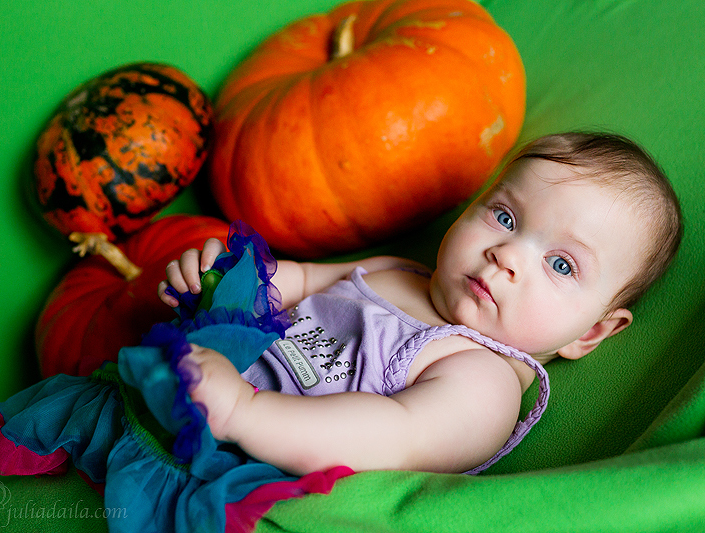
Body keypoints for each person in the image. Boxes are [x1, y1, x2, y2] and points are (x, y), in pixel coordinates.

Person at [158, 132, 682, 476]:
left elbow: (390, 439)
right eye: (504, 217)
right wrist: (221, 280)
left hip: (237, 470)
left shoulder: (484, 381)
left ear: (589, 332)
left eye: (561, 265)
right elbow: (294, 280)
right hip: (189, 385)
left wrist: (245, 412)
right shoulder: (397, 271)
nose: (506, 254)